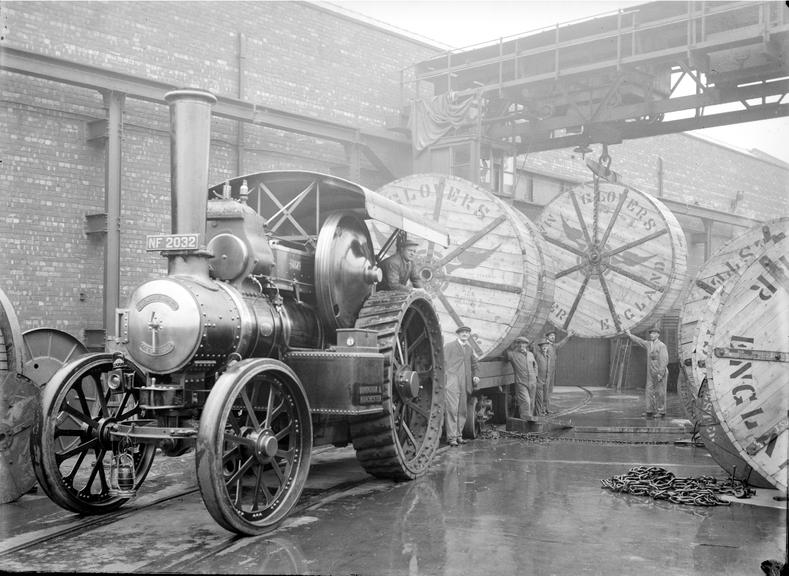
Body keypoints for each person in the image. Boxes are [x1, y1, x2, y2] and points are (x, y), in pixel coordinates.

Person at [443, 325, 479, 446]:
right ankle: (451, 437)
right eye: (462, 332)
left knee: (462, 411)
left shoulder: (469, 348)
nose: (465, 334)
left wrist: (476, 375)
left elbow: (474, 363)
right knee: (452, 410)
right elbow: (442, 362)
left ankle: (459, 435)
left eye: (467, 333)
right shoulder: (449, 346)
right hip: (452, 382)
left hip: (465, 383)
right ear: (457, 334)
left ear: (469, 335)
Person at [624, 325, 669, 418]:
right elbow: (640, 341)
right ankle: (649, 411)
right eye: (651, 333)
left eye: (653, 333)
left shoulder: (662, 346)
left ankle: (661, 411)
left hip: (660, 372)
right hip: (650, 372)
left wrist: (661, 373)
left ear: (658, 335)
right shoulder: (648, 344)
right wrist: (629, 335)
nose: (651, 335)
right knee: (649, 391)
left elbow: (664, 360)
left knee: (660, 392)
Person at [504, 336, 537, 419]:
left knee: (532, 401)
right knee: (525, 401)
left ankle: (530, 419)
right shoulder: (512, 354)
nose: (521, 345)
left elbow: (535, 365)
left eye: (523, 343)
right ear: (517, 344)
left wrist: (536, 376)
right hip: (521, 381)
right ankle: (525, 419)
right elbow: (506, 351)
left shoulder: (530, 354)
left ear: (526, 344)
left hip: (533, 381)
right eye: (519, 343)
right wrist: (512, 343)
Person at [543, 328, 574, 414]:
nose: (553, 337)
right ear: (547, 337)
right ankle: (543, 409)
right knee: (545, 390)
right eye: (551, 336)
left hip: (552, 371)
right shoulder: (545, 346)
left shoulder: (553, 346)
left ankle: (547, 409)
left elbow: (561, 344)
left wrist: (568, 336)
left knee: (549, 390)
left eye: (554, 336)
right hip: (546, 372)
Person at [533, 339, 550, 416]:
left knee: (545, 397)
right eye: (543, 346)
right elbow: (532, 348)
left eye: (546, 346)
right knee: (539, 398)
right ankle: (538, 413)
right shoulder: (537, 354)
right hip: (538, 380)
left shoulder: (548, 356)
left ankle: (543, 410)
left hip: (546, 380)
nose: (544, 347)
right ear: (540, 347)